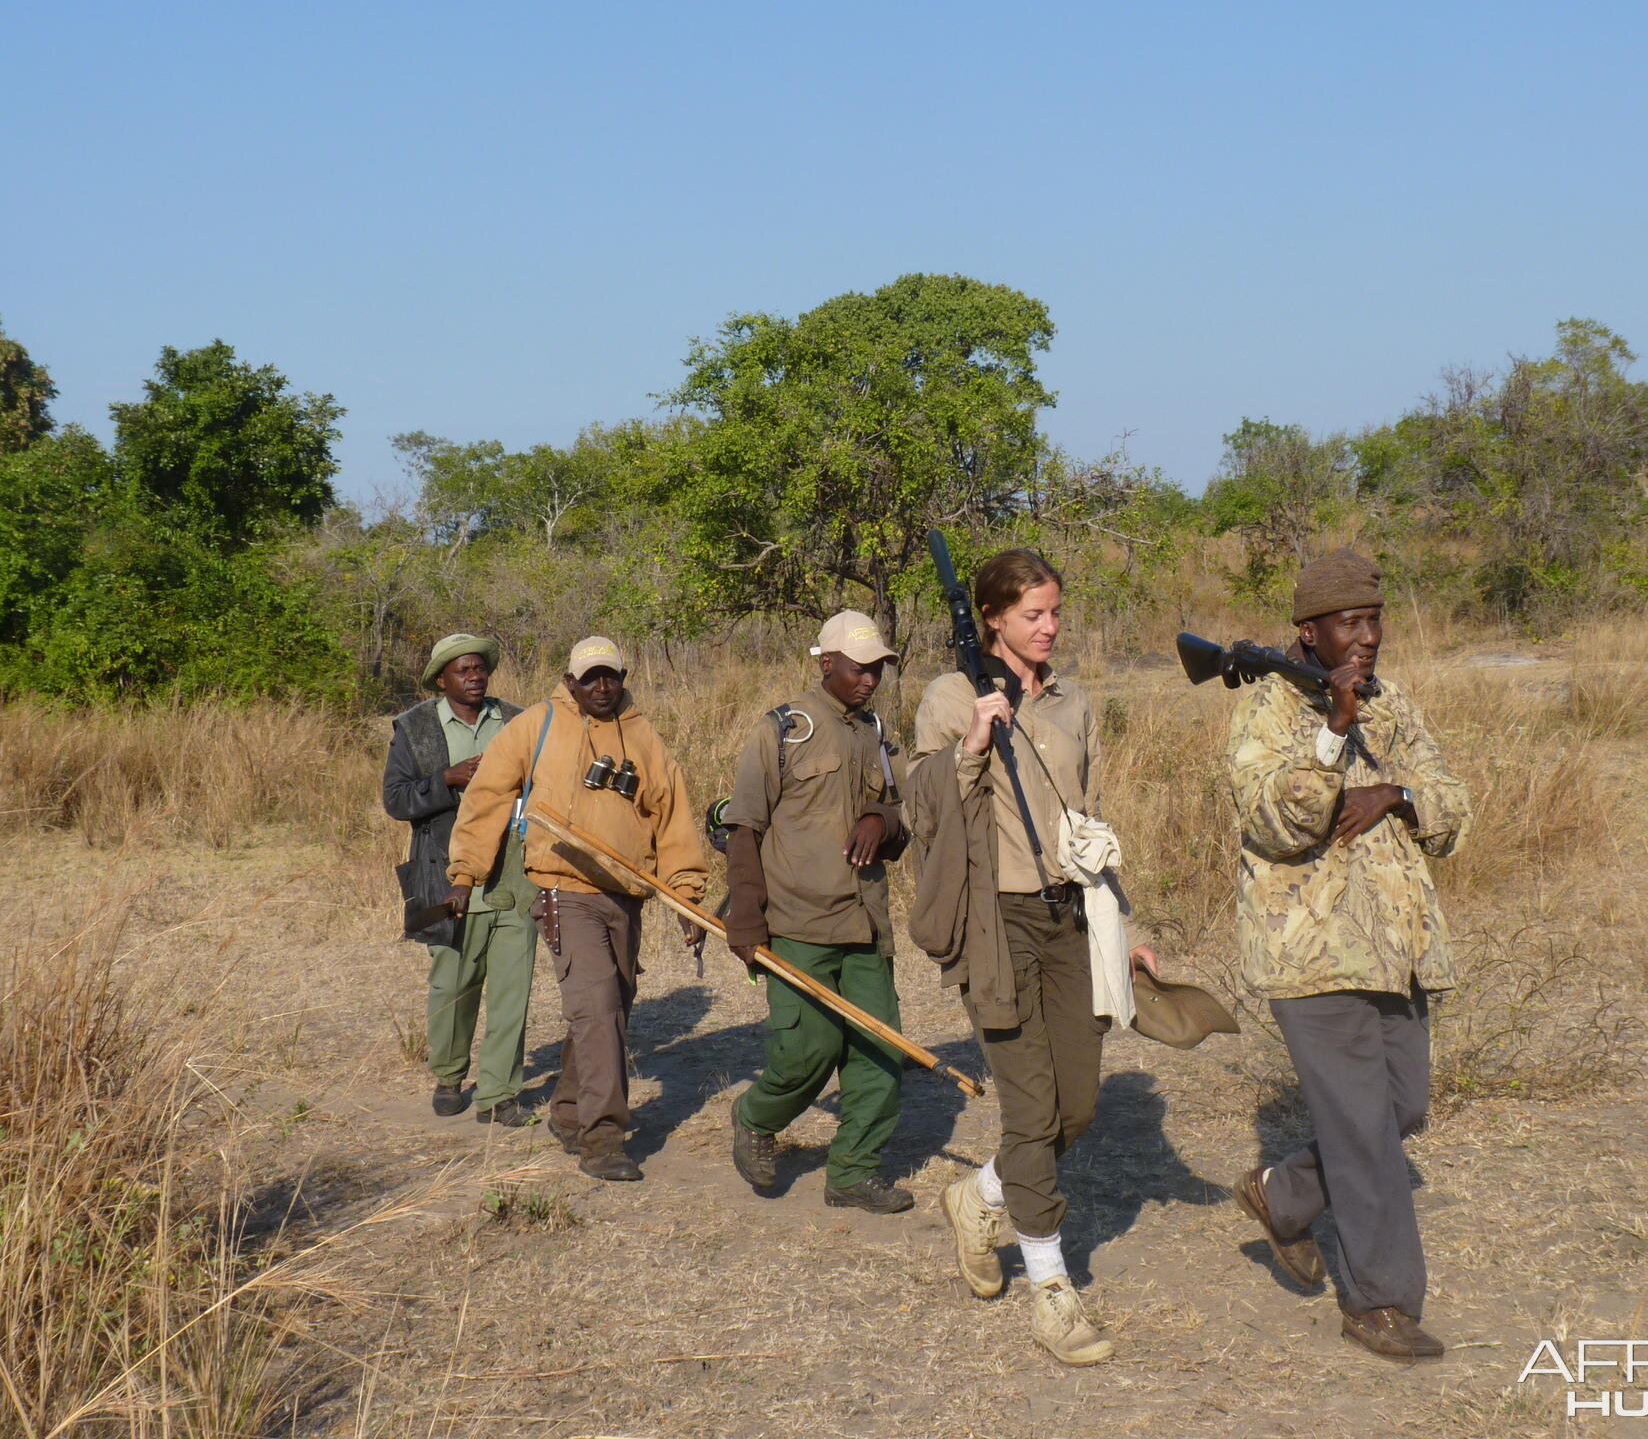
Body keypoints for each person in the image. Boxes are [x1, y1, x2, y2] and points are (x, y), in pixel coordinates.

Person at [909, 549, 1159, 1367]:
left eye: (1055, 612)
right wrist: (974, 741)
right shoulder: (952, 695)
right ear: (992, 620)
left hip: (1071, 917)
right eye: (1032, 616)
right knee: (1031, 1111)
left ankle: (979, 1196)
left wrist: (1122, 923)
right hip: (998, 922)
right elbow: (922, 803)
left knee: (1075, 1109)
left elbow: (1083, 818)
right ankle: (1053, 1290)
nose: (1049, 628)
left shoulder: (1075, 703)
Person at [1226, 548, 1471, 1363]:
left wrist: (1393, 793)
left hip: (1398, 952)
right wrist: (1334, 734)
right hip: (1311, 956)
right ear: (1309, 631)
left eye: (1374, 621)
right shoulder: (1269, 709)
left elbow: (1452, 814)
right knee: (1364, 1129)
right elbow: (1276, 822)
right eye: (1348, 623)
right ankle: (1379, 1301)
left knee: (1401, 1110)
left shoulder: (1392, 703)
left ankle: (1282, 1195)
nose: (1366, 638)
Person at [446, 636, 708, 1181]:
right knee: (597, 1009)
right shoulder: (536, 726)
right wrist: (465, 874)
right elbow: (487, 798)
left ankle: (567, 1112)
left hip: (626, 895)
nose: (602, 687)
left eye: (610, 676)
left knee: (610, 1010)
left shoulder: (644, 736)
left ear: (623, 676)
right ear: (570, 682)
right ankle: (602, 1138)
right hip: (563, 892)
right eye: (589, 678)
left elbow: (673, 817)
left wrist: (687, 896)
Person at [722, 610, 913, 1214]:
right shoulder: (781, 729)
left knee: (880, 1052)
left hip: (865, 921)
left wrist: (881, 818)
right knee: (808, 1052)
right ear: (825, 663)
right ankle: (755, 1119)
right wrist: (746, 919)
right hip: (797, 922)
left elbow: (907, 814)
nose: (871, 680)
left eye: (879, 668)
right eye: (860, 668)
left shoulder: (880, 733)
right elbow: (744, 828)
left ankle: (854, 1171)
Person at [381, 633, 537, 1125]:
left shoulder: (518, 720)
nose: (475, 677)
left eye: (480, 669)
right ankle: (449, 1077)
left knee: (513, 991)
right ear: (441, 679)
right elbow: (397, 801)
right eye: (463, 671)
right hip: (446, 875)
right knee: (453, 986)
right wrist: (447, 780)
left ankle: (498, 1093)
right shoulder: (416, 727)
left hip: (514, 873)